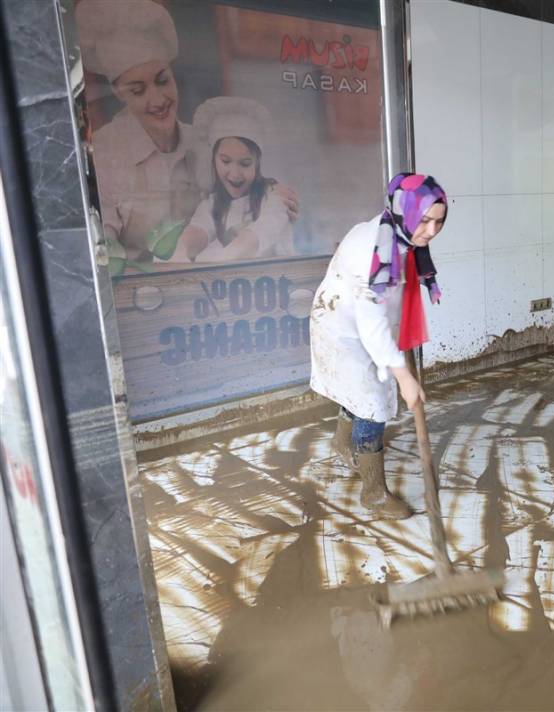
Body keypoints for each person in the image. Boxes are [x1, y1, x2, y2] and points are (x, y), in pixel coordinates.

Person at [76, 0, 298, 271]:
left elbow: (244, 204)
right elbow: (101, 254)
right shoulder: (103, 154)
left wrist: (278, 199)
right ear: (119, 93)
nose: (158, 100)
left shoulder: (205, 144)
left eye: (162, 80)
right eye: (138, 90)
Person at [310, 174, 447, 520]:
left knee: (361, 392)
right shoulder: (376, 255)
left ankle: (343, 444)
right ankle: (373, 493)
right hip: (344, 328)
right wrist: (404, 377)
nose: (430, 231)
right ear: (406, 211)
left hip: (351, 316)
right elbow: (372, 324)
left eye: (439, 221)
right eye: (425, 220)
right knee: (374, 404)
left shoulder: (395, 230)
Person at [170, 98, 294, 262]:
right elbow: (195, 233)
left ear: (257, 163)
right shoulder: (211, 204)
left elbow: (257, 235)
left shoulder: (276, 196)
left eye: (245, 163)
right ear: (213, 159)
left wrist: (216, 265)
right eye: (225, 161)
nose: (235, 174)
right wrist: (179, 251)